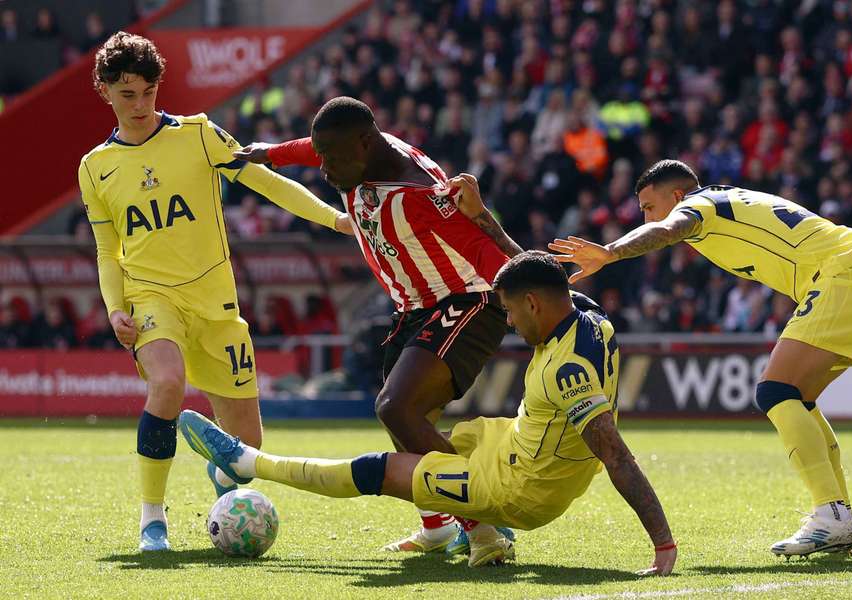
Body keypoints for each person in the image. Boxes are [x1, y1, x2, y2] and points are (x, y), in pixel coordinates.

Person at [178, 251, 677, 574]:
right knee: (423, 428)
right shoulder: (592, 319)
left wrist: (663, 546)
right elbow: (546, 278)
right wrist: (484, 220)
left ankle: (249, 464)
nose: (506, 321)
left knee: (385, 470)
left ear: (532, 304)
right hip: (511, 444)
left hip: (522, 490)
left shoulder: (568, 371)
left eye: (509, 311)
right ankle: (470, 535)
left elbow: (615, 454)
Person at [78, 32, 351, 552]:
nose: (140, 105)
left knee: (248, 451)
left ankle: (225, 482)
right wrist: (116, 309)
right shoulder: (95, 167)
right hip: (151, 296)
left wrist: (334, 219)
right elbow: (106, 249)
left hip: (217, 304)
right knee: (167, 384)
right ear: (105, 91)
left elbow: (267, 182)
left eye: (148, 92)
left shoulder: (199, 135)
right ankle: (152, 522)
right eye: (127, 93)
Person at [549, 159, 852, 557]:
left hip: (844, 276)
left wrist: (610, 252)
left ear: (676, 196)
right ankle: (839, 516)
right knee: (794, 397)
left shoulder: (699, 205)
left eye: (647, 206)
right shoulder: (726, 202)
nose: (644, 215)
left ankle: (832, 514)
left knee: (776, 391)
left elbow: (666, 229)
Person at [233, 97, 523, 559]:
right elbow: (315, 146)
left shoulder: (421, 196)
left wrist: (543, 299)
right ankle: (438, 527)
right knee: (403, 419)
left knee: (396, 407)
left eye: (330, 156)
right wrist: (270, 152)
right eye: (321, 154)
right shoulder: (356, 150)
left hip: (467, 301)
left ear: (365, 143)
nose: (323, 167)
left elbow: (488, 255)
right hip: (415, 307)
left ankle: (483, 527)